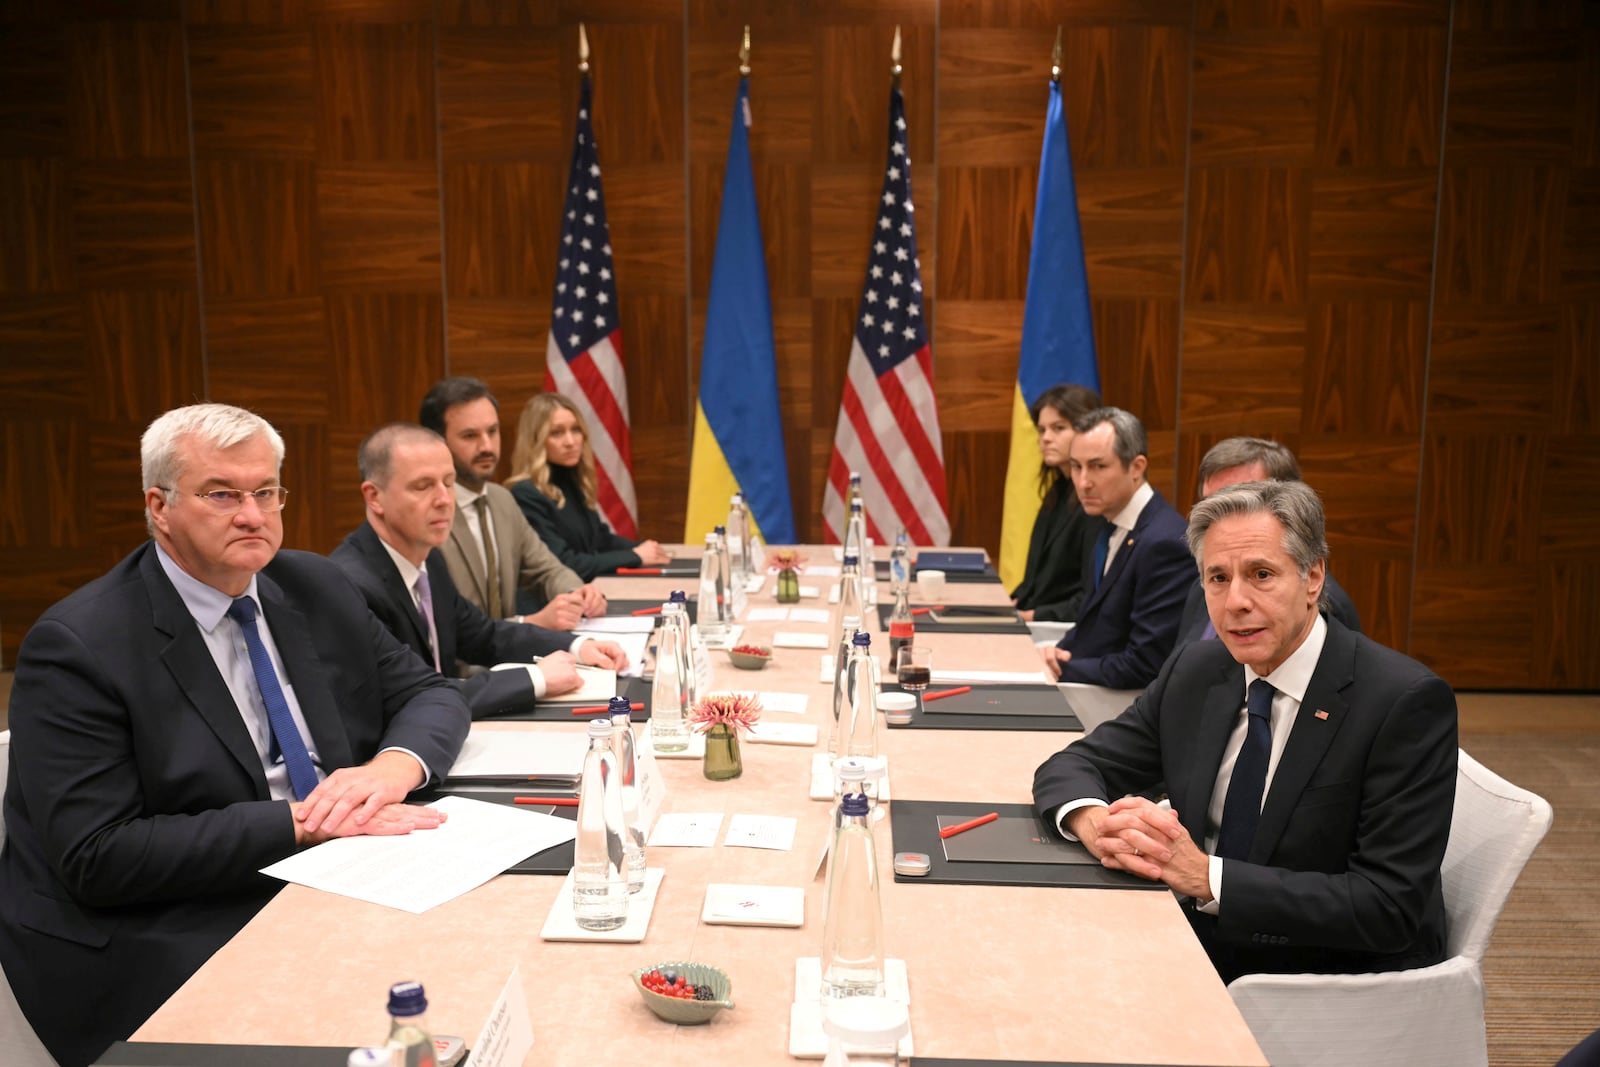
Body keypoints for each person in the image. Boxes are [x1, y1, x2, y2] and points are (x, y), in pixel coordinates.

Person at [0, 404, 469, 1067]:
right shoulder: (79, 645)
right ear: (159, 507)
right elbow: (98, 855)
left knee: (479, 951)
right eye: (222, 494)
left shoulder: (313, 584)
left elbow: (432, 690)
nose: (252, 514)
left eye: (266, 491)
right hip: (164, 922)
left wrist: (388, 769)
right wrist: (304, 822)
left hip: (328, 874)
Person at [1034, 480, 1457, 982]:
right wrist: (1096, 824)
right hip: (1189, 932)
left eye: (1261, 575)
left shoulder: (1402, 703)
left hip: (1316, 971)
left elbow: (1387, 906)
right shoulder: (1199, 669)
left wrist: (1207, 878)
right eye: (1217, 578)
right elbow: (1075, 763)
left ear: (1313, 577)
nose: (1235, 601)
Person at [330, 424, 629, 720]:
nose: (444, 500)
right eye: (423, 486)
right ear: (374, 497)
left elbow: (484, 636)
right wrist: (534, 679)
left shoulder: (428, 559)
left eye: (448, 483)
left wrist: (578, 646)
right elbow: (412, 694)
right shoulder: (351, 585)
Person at [419, 377, 607, 634]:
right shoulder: (426, 514)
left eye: (492, 431)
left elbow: (546, 569)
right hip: (461, 669)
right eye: (470, 435)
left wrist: (576, 593)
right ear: (437, 441)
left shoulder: (501, 499)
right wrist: (529, 623)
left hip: (510, 658)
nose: (486, 446)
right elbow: (448, 631)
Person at [1038, 407, 1192, 689]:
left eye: (1098, 466)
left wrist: (1062, 667)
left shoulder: (1164, 543)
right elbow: (1095, 624)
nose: (1083, 482)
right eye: (1076, 466)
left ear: (1136, 467)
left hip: (1113, 705)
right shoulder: (1110, 522)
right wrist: (1052, 653)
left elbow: (1145, 664)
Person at [1169, 437, 1361, 650]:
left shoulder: (1324, 607)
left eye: (1262, 575)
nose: (1221, 519)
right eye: (1210, 503)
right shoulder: (1205, 583)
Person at [505, 393, 671, 580]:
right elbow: (564, 563)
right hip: (552, 602)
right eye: (557, 433)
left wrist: (644, 548)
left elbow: (600, 540)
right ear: (536, 440)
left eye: (575, 430)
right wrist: (635, 556)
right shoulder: (525, 494)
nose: (570, 442)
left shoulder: (571, 480)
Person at [1012, 383, 1104, 623]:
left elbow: (1090, 595)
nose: (1046, 438)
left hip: (1058, 630)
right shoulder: (1058, 489)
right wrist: (1010, 605)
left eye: (1058, 428)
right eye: (1042, 430)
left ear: (1087, 430)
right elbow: (1035, 580)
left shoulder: (1094, 498)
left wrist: (1029, 615)